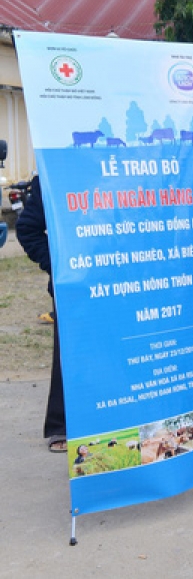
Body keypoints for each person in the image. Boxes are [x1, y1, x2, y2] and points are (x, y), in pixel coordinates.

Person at [16, 175, 67, 453]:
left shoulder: (125, 173)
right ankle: (61, 426)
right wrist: (58, 266)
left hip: (125, 282)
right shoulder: (52, 174)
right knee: (67, 355)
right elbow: (27, 229)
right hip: (74, 286)